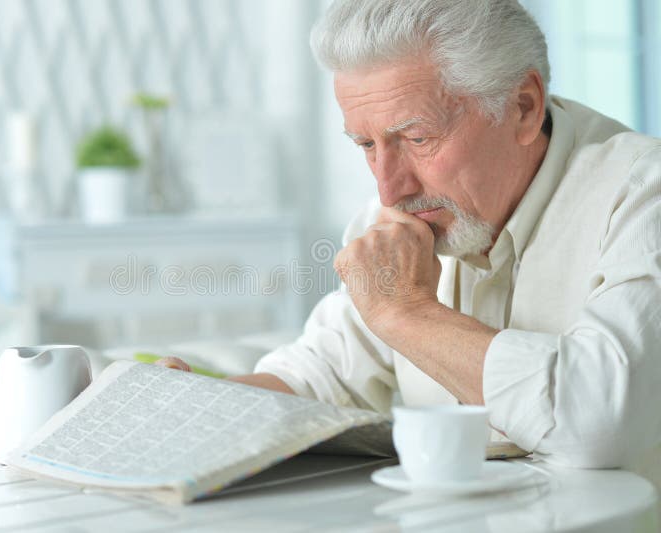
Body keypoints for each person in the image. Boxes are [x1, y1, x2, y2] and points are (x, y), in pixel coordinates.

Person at [159, 0, 661, 477]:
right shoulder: (401, 221)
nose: (388, 187)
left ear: (524, 108)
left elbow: (602, 422)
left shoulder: (644, 194)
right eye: (366, 144)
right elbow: (319, 378)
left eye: (417, 139)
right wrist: (190, 409)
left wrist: (406, 313)